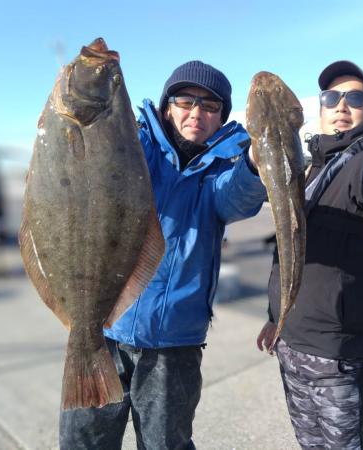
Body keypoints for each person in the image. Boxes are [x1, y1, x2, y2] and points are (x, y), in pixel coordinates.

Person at [60, 61, 267, 450]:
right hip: (103, 331)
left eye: (210, 106)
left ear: (222, 116)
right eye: (186, 101)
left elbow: (236, 197)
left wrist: (256, 164)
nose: (196, 113)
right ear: (166, 106)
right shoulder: (133, 146)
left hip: (174, 343)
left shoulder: (223, 170)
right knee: (84, 442)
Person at [256, 60, 363, 450]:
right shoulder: (308, 170)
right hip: (292, 342)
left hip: (340, 356)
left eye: (356, 98)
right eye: (331, 98)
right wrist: (275, 316)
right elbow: (287, 252)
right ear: (319, 109)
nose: (342, 106)